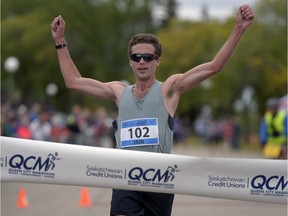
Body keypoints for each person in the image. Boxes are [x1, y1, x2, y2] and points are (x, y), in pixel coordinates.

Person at [51, 5, 254, 216]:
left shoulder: (169, 89)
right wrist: (60, 41)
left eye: (148, 57)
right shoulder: (119, 92)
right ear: (130, 61)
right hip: (125, 177)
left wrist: (239, 28)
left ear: (157, 60)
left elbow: (214, 66)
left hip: (160, 181)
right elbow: (74, 82)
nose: (142, 61)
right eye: (136, 57)